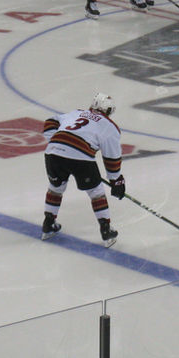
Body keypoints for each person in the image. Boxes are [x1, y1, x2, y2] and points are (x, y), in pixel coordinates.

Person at [40, 92, 125, 247]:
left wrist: (55, 142)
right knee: (96, 192)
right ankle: (106, 230)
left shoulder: (76, 113)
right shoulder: (110, 126)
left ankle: (48, 223)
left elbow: (50, 121)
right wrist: (116, 180)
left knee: (55, 187)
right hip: (81, 158)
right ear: (109, 111)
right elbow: (111, 158)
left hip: (53, 153)